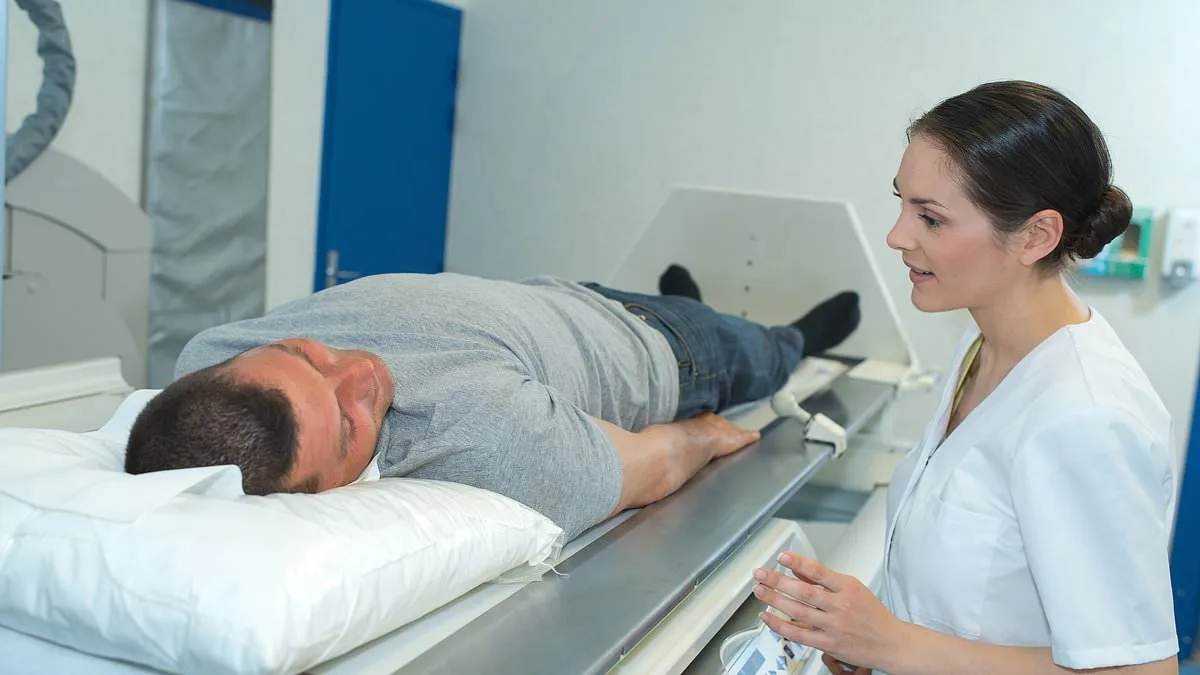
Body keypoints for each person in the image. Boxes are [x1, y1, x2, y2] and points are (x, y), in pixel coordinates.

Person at [752, 81, 1180, 674]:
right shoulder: (983, 348)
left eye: (930, 218)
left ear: (1037, 236)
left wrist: (892, 644)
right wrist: (865, 640)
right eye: (902, 204)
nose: (897, 236)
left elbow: (1137, 671)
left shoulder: (1088, 418)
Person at [124, 265, 861, 540]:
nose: (361, 371)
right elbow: (658, 462)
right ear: (319, 495)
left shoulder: (210, 357)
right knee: (763, 356)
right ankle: (796, 337)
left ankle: (691, 299)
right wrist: (706, 433)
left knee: (697, 311)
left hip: (562, 297)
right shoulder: (483, 438)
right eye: (349, 421)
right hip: (670, 352)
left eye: (305, 355)